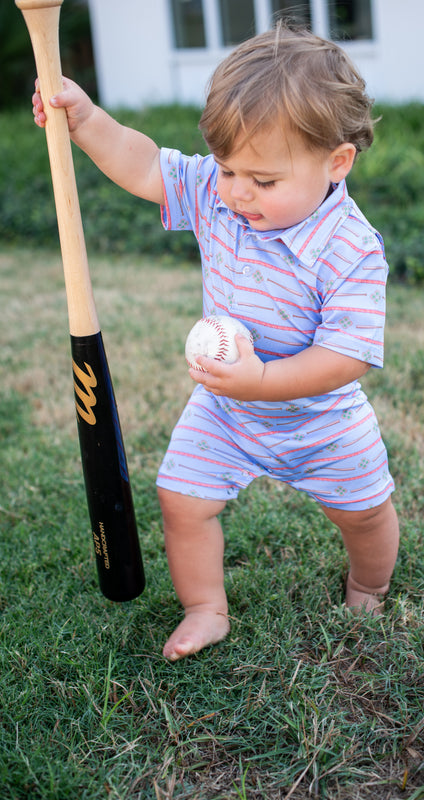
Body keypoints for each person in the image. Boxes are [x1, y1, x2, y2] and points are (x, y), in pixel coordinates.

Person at [33, 24, 400, 661]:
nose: (236, 191)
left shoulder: (351, 248)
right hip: (226, 411)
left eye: (262, 180)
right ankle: (207, 607)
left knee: (364, 512)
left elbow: (350, 355)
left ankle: (369, 585)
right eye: (228, 168)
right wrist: (86, 119)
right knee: (181, 500)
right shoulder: (216, 195)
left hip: (321, 419)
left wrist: (263, 382)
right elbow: (145, 163)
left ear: (336, 162)